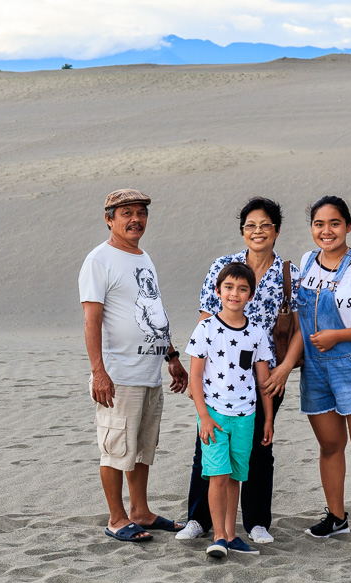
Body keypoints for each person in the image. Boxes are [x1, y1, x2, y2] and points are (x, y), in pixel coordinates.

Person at [176, 196, 302, 544]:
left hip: (266, 378)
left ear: (276, 230)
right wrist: (197, 374)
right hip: (219, 378)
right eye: (250, 225)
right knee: (208, 444)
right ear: (242, 230)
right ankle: (198, 519)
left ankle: (257, 522)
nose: (257, 231)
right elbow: (205, 317)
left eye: (265, 225)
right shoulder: (224, 265)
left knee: (260, 447)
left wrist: (286, 369)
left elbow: (302, 327)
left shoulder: (289, 274)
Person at [282, 195, 351, 547]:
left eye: (334, 223)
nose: (326, 231)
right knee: (330, 445)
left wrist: (338, 336)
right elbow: (300, 321)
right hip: (315, 369)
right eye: (319, 224)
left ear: (348, 225)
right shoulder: (306, 263)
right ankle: (336, 516)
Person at [78, 188, 188, 543]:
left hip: (149, 372)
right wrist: (99, 372)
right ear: (109, 219)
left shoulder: (143, 257)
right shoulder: (99, 260)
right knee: (115, 448)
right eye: (126, 213)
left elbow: (154, 311)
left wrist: (172, 358)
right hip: (118, 374)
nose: (135, 219)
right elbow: (91, 321)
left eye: (141, 212)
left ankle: (140, 510)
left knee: (143, 447)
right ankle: (116, 518)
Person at [185, 262, 274, 557]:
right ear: (217, 291)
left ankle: (232, 534)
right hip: (215, 416)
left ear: (251, 295)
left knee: (236, 476)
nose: (234, 294)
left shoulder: (257, 333)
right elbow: (194, 377)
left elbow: (263, 381)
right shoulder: (206, 328)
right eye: (229, 288)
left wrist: (268, 418)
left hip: (246, 416)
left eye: (242, 289)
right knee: (217, 475)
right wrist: (204, 417)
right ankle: (219, 536)